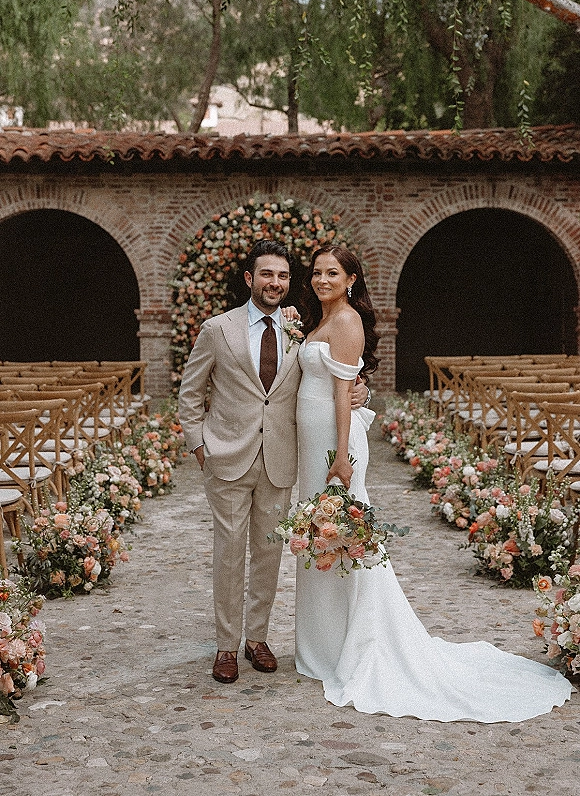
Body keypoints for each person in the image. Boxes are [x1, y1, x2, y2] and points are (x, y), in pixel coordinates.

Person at [293, 244, 572, 722]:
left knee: (342, 536)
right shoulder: (316, 321)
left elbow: (343, 390)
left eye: (332, 273)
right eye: (317, 272)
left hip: (332, 441)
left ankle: (356, 642)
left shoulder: (345, 322)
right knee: (320, 538)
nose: (323, 280)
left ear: (351, 279)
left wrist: (341, 455)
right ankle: (323, 644)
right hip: (311, 436)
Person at [178, 239, 368, 684]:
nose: (275, 283)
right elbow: (190, 392)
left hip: (282, 458)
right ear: (250, 279)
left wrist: (364, 393)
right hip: (226, 456)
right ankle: (226, 645)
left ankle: (257, 639)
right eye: (267, 274)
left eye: (283, 276)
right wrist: (198, 444)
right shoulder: (217, 329)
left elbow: (336, 377)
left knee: (269, 552)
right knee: (228, 553)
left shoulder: (297, 328)